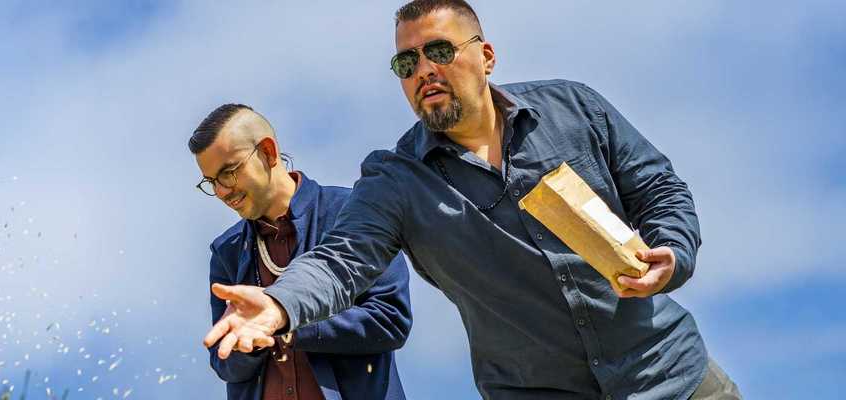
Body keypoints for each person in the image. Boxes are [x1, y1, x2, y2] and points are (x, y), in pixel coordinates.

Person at [202, 1, 741, 399]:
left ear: (486, 56)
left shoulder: (574, 109)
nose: (423, 71)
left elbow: (659, 189)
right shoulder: (395, 181)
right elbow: (341, 261)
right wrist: (280, 304)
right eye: (406, 63)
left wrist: (673, 251)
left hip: (673, 377)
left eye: (439, 51)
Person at [191, 104, 413, 400]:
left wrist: (284, 322)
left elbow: (389, 320)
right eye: (211, 182)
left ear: (268, 152)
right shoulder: (226, 251)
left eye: (229, 173)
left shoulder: (353, 212)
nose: (221, 191)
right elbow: (225, 365)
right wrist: (250, 342)